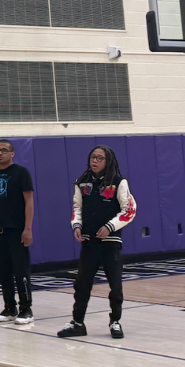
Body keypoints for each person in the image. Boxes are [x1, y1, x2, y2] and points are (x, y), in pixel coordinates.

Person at [57, 146, 136, 340]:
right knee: (82, 285)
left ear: (108, 161)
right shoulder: (81, 182)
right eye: (93, 157)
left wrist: (110, 226)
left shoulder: (119, 183)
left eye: (100, 158)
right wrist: (76, 225)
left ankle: (115, 321)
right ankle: (77, 323)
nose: (95, 160)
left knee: (115, 285)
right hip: (89, 243)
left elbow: (129, 210)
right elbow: (77, 207)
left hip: (110, 244)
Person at [0, 139, 35, 325]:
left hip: (16, 229)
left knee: (20, 270)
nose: (0, 153)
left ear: (12, 154)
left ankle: (26, 309)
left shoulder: (20, 173)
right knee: (3, 271)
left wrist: (27, 228)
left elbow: (29, 202)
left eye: (4, 150)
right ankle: (10, 307)